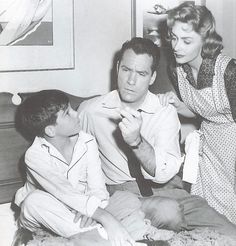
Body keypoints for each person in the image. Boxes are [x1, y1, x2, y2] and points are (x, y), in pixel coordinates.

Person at [78, 37, 236, 236]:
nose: (131, 81)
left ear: (152, 77)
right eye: (126, 70)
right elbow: (76, 164)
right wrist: (87, 205)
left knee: (230, 233)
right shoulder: (91, 112)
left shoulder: (164, 111)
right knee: (168, 212)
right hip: (121, 194)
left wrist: (136, 142)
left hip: (168, 190)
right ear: (117, 68)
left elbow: (163, 173)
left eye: (141, 73)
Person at [13, 90, 180, 246]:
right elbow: (65, 194)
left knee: (127, 199)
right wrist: (107, 220)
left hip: (85, 212)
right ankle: (116, 236)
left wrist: (94, 211)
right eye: (67, 113)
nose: (76, 113)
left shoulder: (86, 141)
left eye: (71, 108)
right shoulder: (34, 156)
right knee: (33, 201)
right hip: (50, 214)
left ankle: (101, 236)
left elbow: (97, 188)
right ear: (50, 130)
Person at [158, 2, 236, 224]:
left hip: (233, 146)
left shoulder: (229, 71)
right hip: (209, 146)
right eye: (173, 38)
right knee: (211, 214)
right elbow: (199, 112)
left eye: (186, 40)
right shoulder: (176, 69)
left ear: (205, 39)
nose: (176, 47)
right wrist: (176, 104)